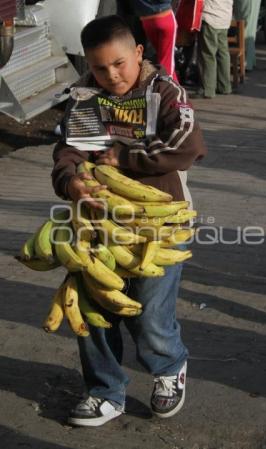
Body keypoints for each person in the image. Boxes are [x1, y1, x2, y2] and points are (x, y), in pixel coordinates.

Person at [51, 14, 207, 427]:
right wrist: (72, 183)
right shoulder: (86, 96)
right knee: (94, 311)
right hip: (97, 221)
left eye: (119, 63)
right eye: (100, 67)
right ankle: (105, 391)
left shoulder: (165, 92)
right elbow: (70, 151)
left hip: (159, 221)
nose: (111, 75)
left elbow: (187, 146)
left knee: (151, 314)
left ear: (138, 52)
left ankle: (169, 366)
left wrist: (125, 157)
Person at [131, 0, 179, 81]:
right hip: (165, 16)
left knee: (162, 58)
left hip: (146, 19)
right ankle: (167, 87)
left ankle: (175, 87)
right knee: (167, 61)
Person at [198, 0, 234, 98]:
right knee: (223, 53)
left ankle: (207, 89)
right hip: (224, 17)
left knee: (207, 54)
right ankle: (224, 86)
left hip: (210, 16)